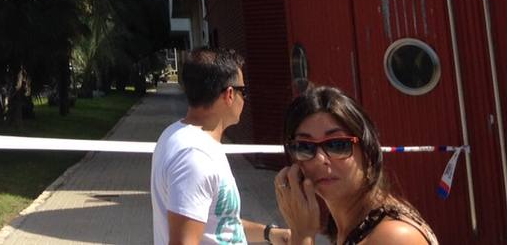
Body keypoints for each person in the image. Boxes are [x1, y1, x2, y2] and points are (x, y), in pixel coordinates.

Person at [150, 47, 288, 244]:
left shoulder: (181, 136)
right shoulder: (195, 157)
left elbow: (219, 223)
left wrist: (270, 234)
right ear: (229, 94)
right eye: (244, 91)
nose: (245, 99)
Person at [275, 85, 437, 244]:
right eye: (304, 147)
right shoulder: (352, 224)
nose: (319, 159)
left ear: (367, 150)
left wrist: (301, 235)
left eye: (337, 145)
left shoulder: (393, 237)